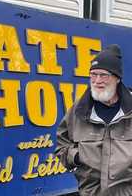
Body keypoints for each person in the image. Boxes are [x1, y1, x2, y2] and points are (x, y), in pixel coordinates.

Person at [55, 44, 132, 196]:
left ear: (117, 78)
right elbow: (61, 145)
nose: (97, 80)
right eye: (93, 74)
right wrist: (76, 156)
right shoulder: (79, 111)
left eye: (104, 75)